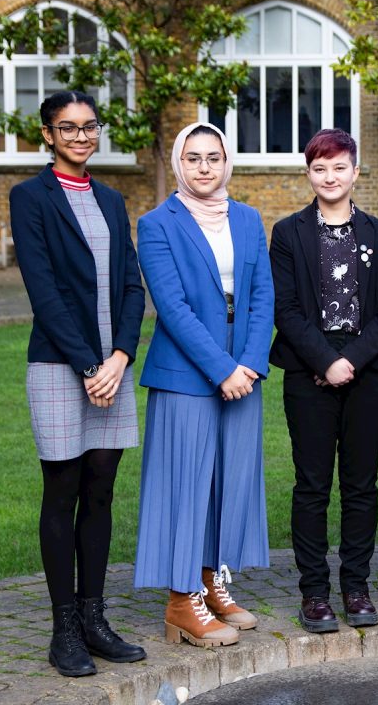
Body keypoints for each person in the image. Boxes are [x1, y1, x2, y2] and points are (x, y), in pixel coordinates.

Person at [9, 90, 146, 677]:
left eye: (90, 127)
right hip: (62, 369)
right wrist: (89, 366)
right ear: (47, 136)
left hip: (111, 370)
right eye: (68, 129)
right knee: (61, 493)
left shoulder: (113, 200)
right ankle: (64, 628)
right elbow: (44, 293)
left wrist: (118, 356)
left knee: (101, 493)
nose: (82, 137)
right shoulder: (29, 198)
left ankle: (95, 619)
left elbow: (132, 288)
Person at [133, 122, 273, 648]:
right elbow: (171, 307)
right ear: (178, 164)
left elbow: (262, 295)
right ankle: (179, 599)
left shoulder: (249, 218)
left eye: (213, 157)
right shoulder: (156, 224)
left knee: (227, 484)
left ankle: (212, 581)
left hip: (244, 371)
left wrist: (251, 364)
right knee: (186, 484)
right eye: (193, 158)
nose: (205, 167)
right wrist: (222, 369)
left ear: (226, 161)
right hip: (185, 375)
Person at [270, 129, 378, 632]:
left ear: (355, 171)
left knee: (361, 484)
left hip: (368, 375)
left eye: (339, 167)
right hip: (309, 372)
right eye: (319, 168)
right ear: (309, 173)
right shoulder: (288, 233)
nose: (330, 177)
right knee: (311, 485)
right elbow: (285, 308)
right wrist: (326, 360)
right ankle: (313, 593)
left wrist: (352, 360)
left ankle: (355, 586)